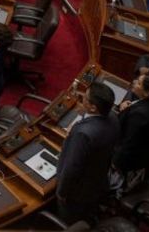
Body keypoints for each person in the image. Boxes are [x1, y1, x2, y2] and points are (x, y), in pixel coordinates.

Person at [56, 82, 119, 225]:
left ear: (93, 107)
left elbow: (72, 167)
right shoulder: (114, 117)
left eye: (85, 97)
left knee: (70, 220)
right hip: (98, 179)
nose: (82, 97)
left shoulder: (83, 134)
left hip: (77, 193)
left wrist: (62, 192)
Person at [111, 75, 149, 194]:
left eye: (139, 83)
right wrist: (126, 108)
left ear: (147, 93)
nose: (134, 82)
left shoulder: (140, 115)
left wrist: (115, 164)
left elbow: (128, 143)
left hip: (129, 163)